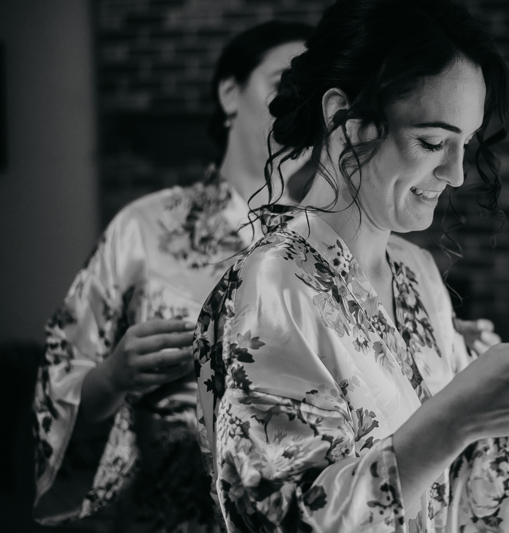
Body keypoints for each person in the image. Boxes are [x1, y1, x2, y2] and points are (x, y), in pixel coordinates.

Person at [193, 1, 509, 532]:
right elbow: (280, 520)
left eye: (465, 145)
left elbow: (456, 482)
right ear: (348, 119)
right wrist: (456, 416)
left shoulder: (416, 274)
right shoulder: (267, 290)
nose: (456, 174)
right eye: (432, 142)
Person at [31, 21, 316, 532]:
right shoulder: (144, 227)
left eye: (318, 94)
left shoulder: (328, 245)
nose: (302, 105)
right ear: (230, 93)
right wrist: (114, 376)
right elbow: (60, 379)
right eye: (285, 85)